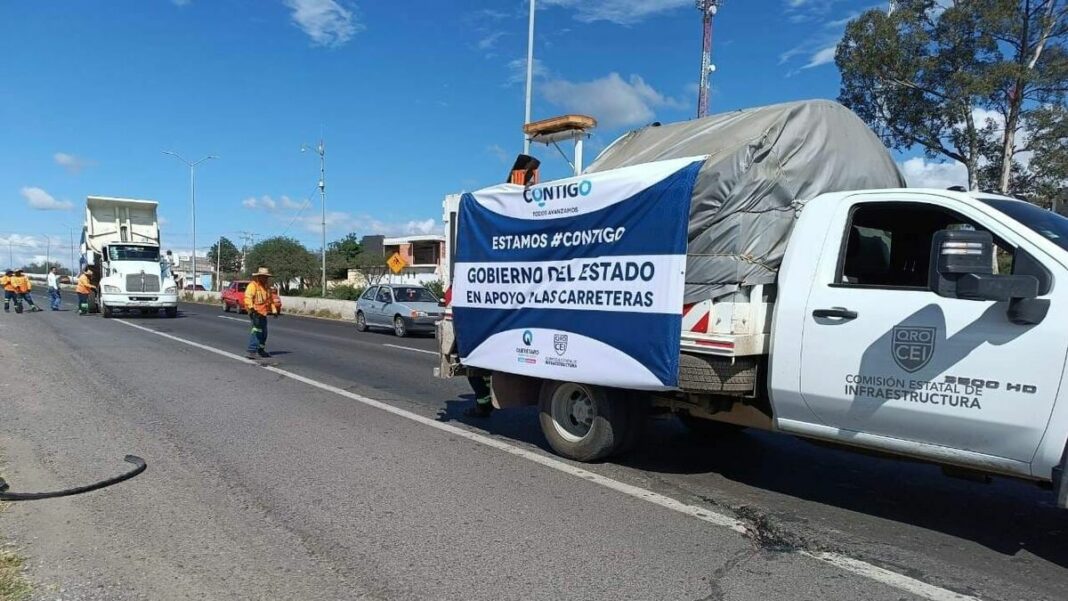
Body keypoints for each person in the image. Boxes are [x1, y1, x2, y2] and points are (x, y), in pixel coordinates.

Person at [244, 267, 281, 359]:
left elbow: (270, 300)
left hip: (263, 313)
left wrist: (274, 311)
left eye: (266, 277)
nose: (265, 279)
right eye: (263, 277)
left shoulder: (267, 287)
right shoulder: (253, 286)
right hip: (255, 312)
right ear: (258, 277)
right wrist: (252, 309)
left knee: (264, 332)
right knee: (257, 331)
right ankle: (251, 351)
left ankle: (261, 350)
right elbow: (248, 298)